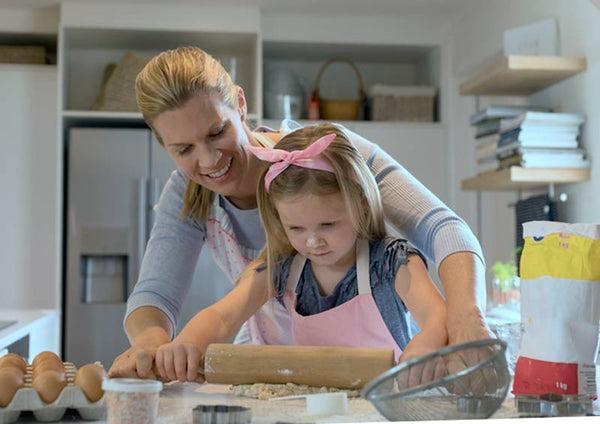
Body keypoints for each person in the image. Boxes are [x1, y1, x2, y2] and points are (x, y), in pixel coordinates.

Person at [108, 46, 491, 380]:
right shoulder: (192, 198)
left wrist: (465, 315)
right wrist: (155, 343)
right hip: (273, 368)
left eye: (216, 132)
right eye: (183, 149)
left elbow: (443, 227)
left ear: (240, 104)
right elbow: (163, 295)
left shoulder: (324, 153)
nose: (208, 160)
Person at [153, 124, 448, 383]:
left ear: (361, 203)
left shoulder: (392, 262)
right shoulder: (283, 267)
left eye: (328, 224)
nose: (312, 241)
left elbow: (438, 317)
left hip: (385, 406)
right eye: (295, 228)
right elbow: (222, 316)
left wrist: (426, 346)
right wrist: (188, 343)